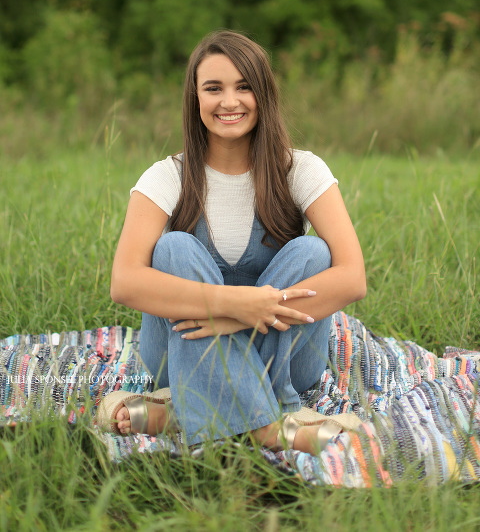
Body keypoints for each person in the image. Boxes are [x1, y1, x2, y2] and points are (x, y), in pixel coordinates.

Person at [99, 30, 366, 455]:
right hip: (175, 354)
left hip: (286, 359)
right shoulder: (167, 176)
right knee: (174, 250)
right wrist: (233, 304)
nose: (229, 101)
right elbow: (125, 282)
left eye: (244, 86)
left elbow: (353, 278)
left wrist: (241, 317)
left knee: (312, 253)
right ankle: (269, 427)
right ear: (195, 98)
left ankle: (183, 412)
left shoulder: (302, 170)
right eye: (213, 88)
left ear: (263, 94)